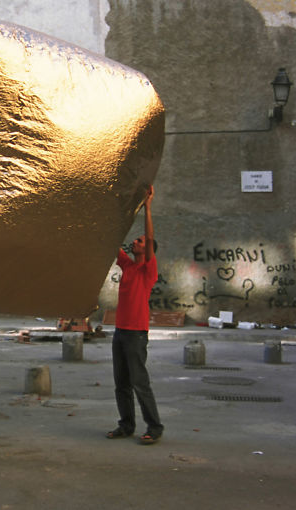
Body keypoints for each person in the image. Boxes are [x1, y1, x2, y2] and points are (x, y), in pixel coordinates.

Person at [106, 185, 164, 445]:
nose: (135, 242)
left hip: (137, 334)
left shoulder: (147, 271)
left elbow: (150, 240)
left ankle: (154, 427)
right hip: (120, 332)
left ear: (147, 250)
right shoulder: (127, 265)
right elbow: (109, 239)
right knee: (121, 384)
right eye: (136, 240)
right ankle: (126, 425)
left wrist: (148, 207)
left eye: (139, 241)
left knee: (140, 383)